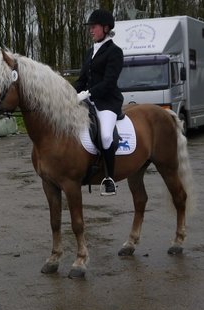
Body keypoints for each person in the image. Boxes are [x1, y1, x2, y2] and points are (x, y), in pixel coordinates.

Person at [74, 9, 124, 196]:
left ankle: (109, 179)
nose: (90, 30)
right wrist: (70, 93)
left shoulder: (115, 52)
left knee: (104, 136)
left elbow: (109, 82)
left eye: (93, 27)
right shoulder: (90, 52)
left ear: (105, 28)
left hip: (107, 102)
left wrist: (87, 93)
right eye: (90, 27)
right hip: (89, 101)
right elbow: (81, 80)